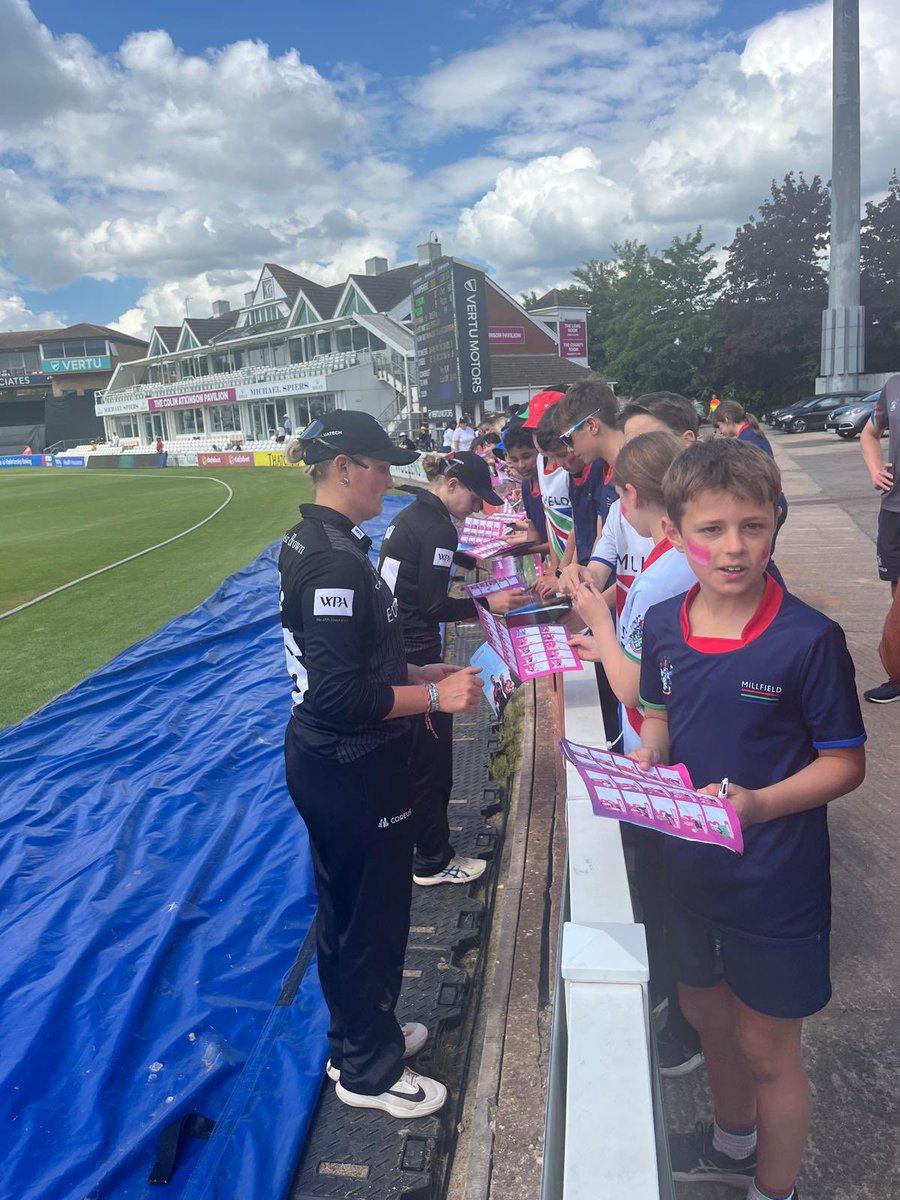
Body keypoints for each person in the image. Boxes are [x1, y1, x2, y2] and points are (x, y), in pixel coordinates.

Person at [635, 438, 866, 1200]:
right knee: (710, 1025)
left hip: (775, 886)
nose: (733, 547)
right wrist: (648, 752)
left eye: (753, 526)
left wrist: (759, 804)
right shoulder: (665, 623)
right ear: (673, 532)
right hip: (691, 874)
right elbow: (659, 713)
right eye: (711, 529)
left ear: (775, 524)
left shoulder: (809, 641)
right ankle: (734, 1147)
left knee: (770, 1051)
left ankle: (777, 1189)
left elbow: (845, 763)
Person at [279, 411, 483, 1119]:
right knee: (370, 920)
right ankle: (368, 1071)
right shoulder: (333, 557)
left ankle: (360, 1038)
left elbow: (352, 657)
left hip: (338, 763)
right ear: (343, 467)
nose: (388, 479)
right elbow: (337, 695)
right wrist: (432, 693)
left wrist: (414, 666)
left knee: (353, 914)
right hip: (350, 764)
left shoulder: (321, 537)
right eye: (378, 465)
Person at [378, 451, 527, 886]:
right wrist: (487, 603)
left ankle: (419, 845)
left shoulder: (413, 516)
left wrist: (468, 565)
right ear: (453, 484)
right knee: (431, 761)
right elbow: (433, 605)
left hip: (395, 644)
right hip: (416, 649)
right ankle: (432, 860)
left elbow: (428, 570)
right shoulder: (439, 526)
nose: (477, 508)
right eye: (474, 498)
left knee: (412, 758)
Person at [859, 374, 900, 702]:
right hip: (894, 509)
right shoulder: (893, 386)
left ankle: (896, 671)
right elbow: (870, 432)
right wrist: (875, 469)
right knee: (895, 593)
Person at [711, 400, 788, 540]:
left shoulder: (745, 442)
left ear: (727, 420)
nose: (720, 431)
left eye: (719, 426)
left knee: (759, 560)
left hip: (766, 505)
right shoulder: (752, 434)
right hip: (773, 502)